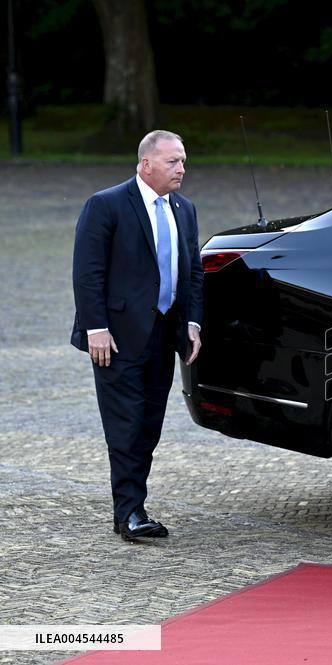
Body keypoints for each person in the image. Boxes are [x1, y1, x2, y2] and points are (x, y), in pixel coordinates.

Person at [71, 130, 204, 541]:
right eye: (172, 162)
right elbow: (87, 271)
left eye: (183, 161)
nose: (181, 168)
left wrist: (192, 325)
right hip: (116, 338)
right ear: (146, 164)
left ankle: (134, 505)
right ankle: (128, 513)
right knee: (125, 425)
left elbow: (193, 273)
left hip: (164, 335)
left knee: (149, 424)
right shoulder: (106, 204)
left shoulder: (184, 209)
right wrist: (96, 327)